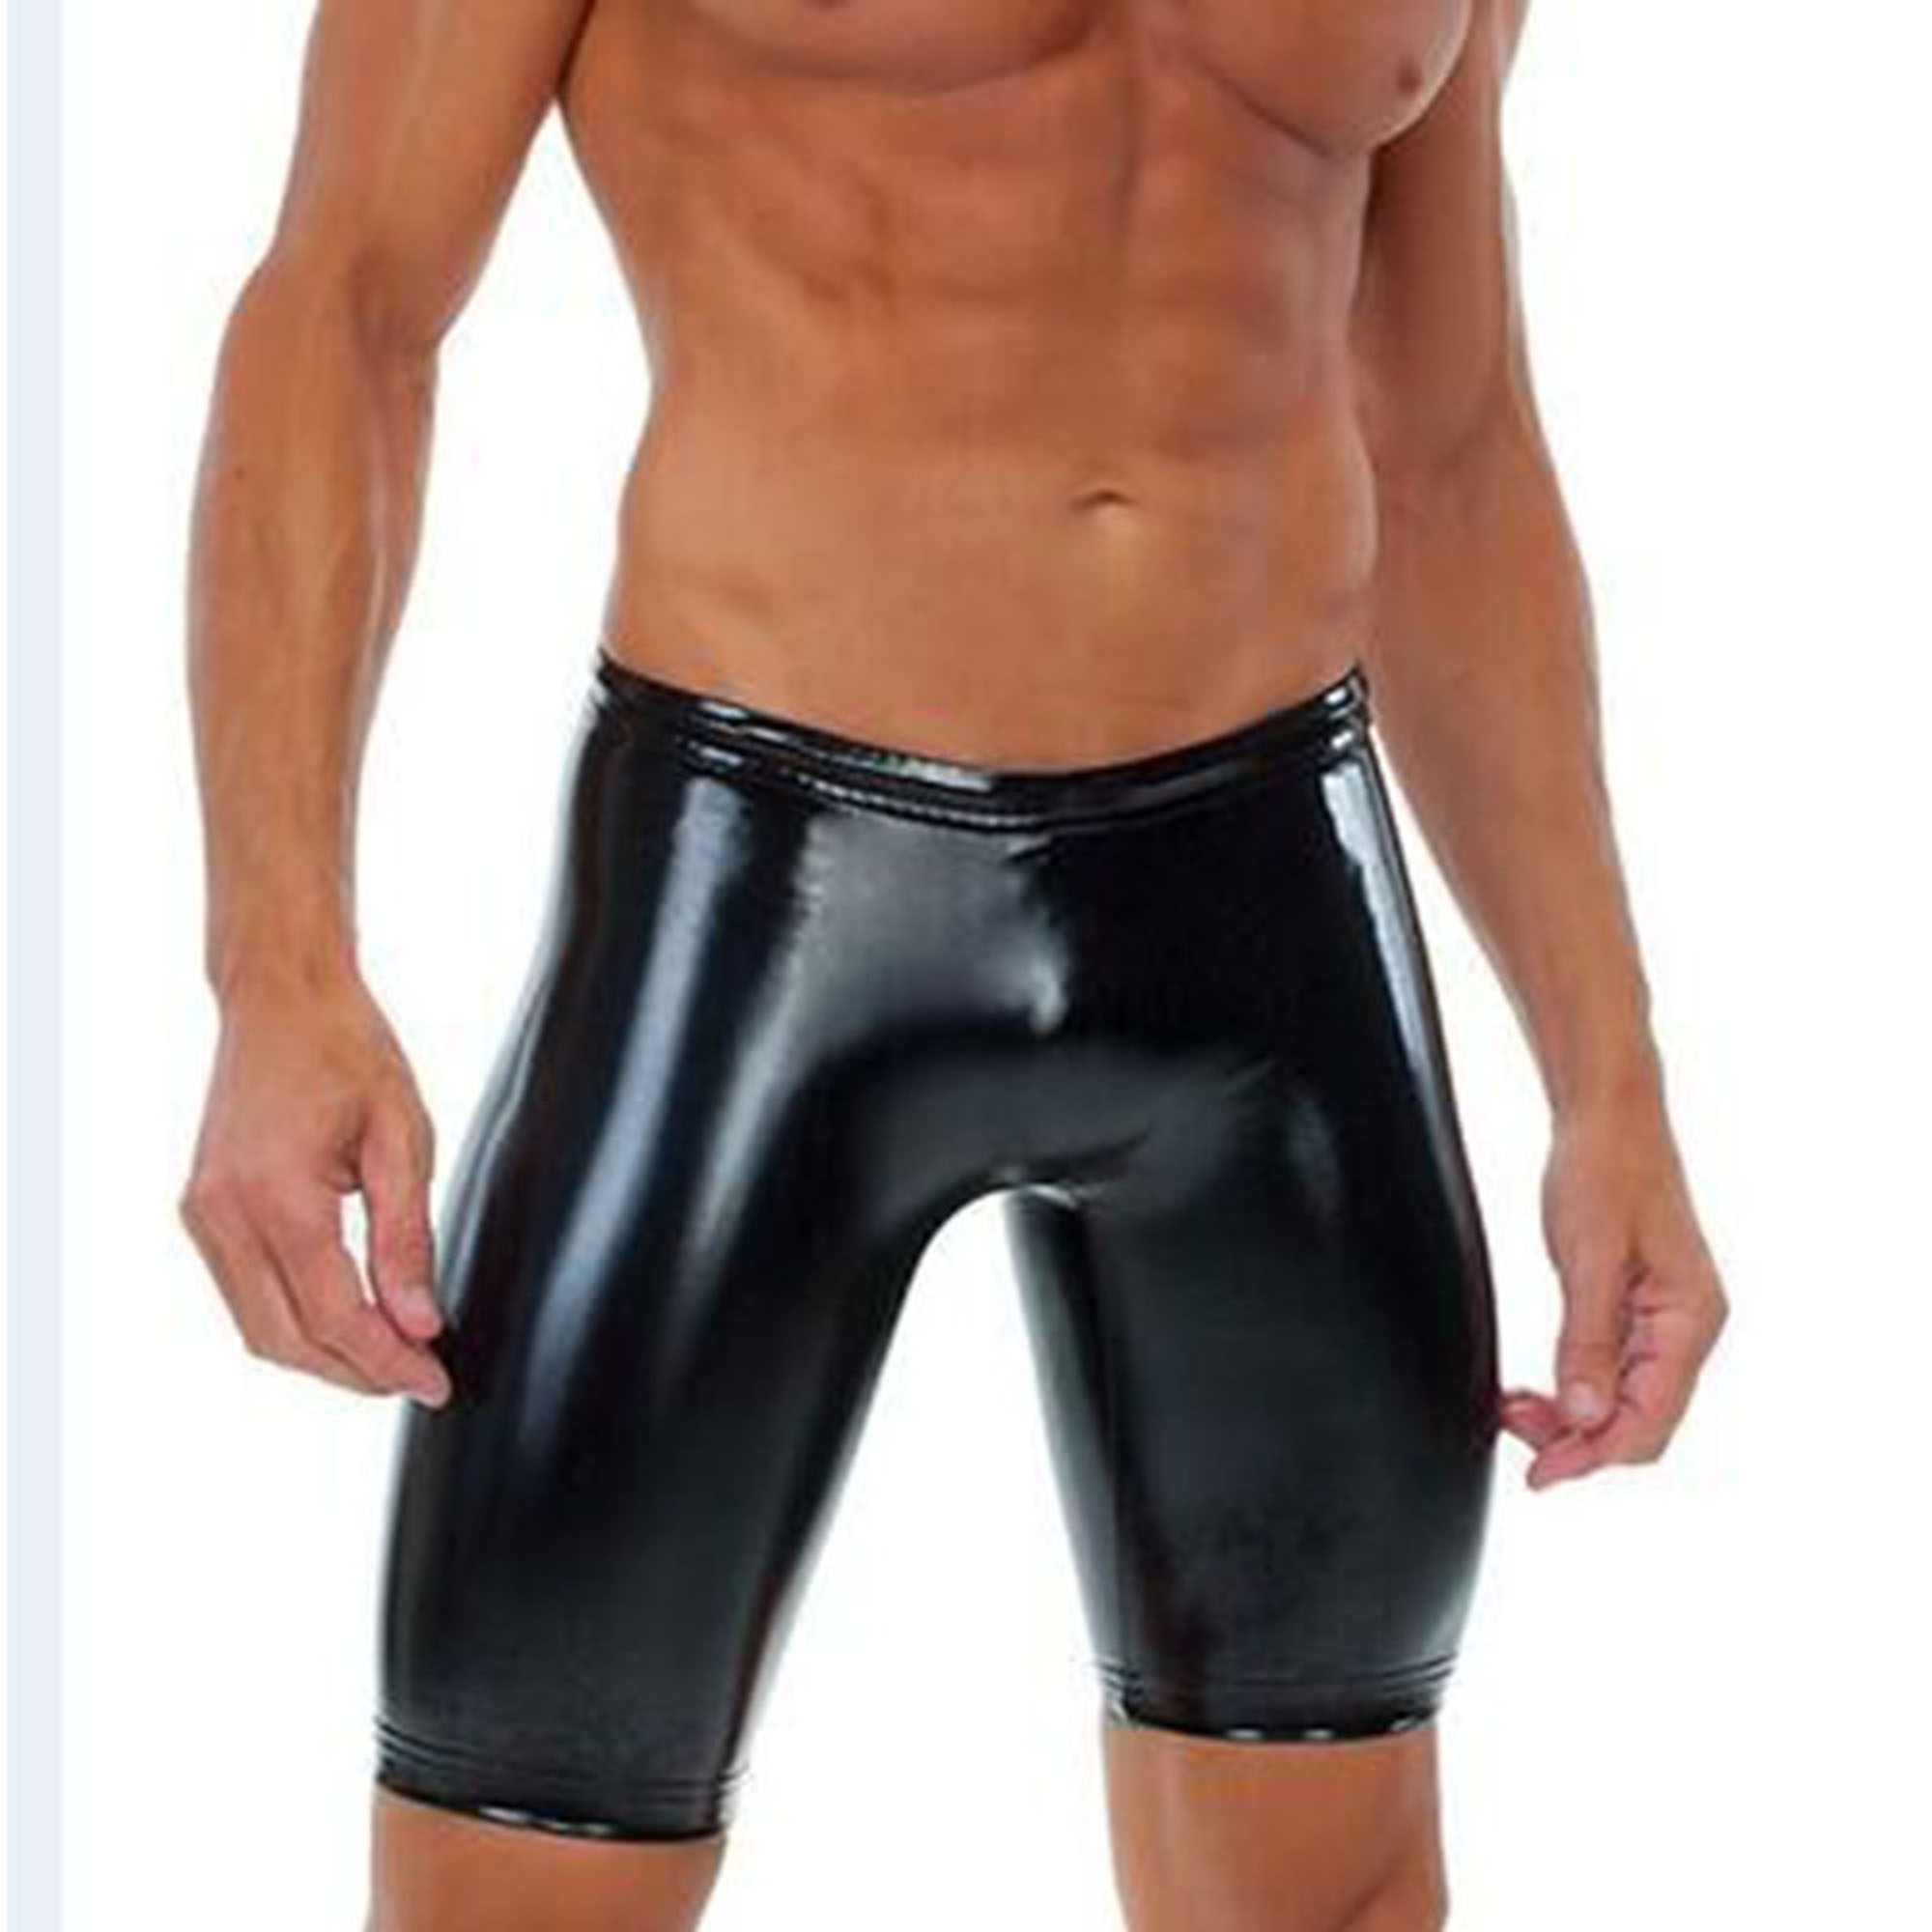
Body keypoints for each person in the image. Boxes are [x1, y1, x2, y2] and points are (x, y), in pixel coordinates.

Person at [178, 0, 1728, 1924]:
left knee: (1335, 1890)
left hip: (1269, 910)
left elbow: (1450, 436)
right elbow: (345, 306)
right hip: (767, 904)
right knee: (526, 1846)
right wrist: (277, 961)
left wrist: (1606, 1073)